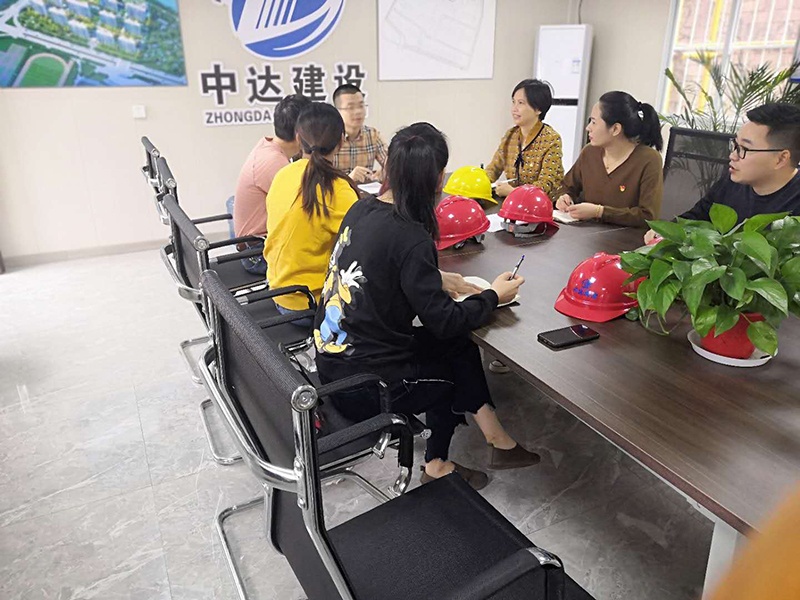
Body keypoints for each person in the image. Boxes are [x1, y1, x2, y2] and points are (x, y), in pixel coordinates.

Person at [313, 122, 541, 491]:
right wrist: (493, 297)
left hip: (333, 361)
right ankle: (437, 465)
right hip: (364, 385)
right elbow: (444, 320)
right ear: (435, 178)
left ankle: (497, 439)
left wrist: (436, 278)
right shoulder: (411, 235)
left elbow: (379, 269)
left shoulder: (361, 209)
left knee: (458, 346)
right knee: (449, 369)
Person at [644, 102, 800, 244]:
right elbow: (697, 217)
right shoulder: (733, 180)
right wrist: (666, 231)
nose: (732, 155)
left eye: (744, 149)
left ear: (781, 159)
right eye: (735, 145)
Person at [264, 102, 360, 321]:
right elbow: (365, 247)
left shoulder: (283, 175)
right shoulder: (338, 189)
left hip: (278, 291)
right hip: (311, 304)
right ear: (341, 142)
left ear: (298, 138)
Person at [555, 91, 664, 227]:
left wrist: (600, 212)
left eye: (594, 122)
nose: (588, 128)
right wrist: (564, 197)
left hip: (625, 238)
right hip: (584, 233)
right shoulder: (590, 152)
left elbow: (647, 216)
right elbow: (566, 186)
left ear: (615, 129)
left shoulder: (649, 160)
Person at [232, 94, 311, 275]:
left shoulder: (268, 146)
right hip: (257, 254)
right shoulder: (274, 163)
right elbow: (303, 211)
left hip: (257, 244)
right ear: (301, 134)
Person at [485, 78, 564, 199]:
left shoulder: (551, 139)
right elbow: (493, 169)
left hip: (544, 205)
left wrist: (513, 192)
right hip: (515, 204)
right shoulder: (510, 135)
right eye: (513, 102)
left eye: (521, 103)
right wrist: (479, 182)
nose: (514, 108)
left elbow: (545, 185)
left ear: (538, 109)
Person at [331, 83, 387, 184]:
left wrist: (385, 173)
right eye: (350, 107)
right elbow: (321, 177)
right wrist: (349, 178)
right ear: (337, 111)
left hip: (365, 192)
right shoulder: (330, 138)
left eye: (361, 106)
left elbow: (392, 164)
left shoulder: (372, 135)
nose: (358, 111)